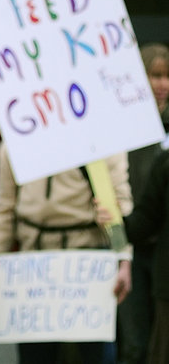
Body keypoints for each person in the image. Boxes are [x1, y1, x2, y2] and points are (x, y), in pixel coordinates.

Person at [0, 141, 132, 364]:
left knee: (97, 353)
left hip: (88, 262)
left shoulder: (102, 142)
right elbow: (4, 209)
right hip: (32, 264)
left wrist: (123, 258)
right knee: (35, 354)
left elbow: (119, 205)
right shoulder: (16, 145)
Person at [118, 42, 169, 364]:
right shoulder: (123, 127)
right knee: (134, 341)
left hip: (162, 250)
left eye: (166, 76)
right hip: (132, 244)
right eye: (155, 75)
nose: (162, 85)